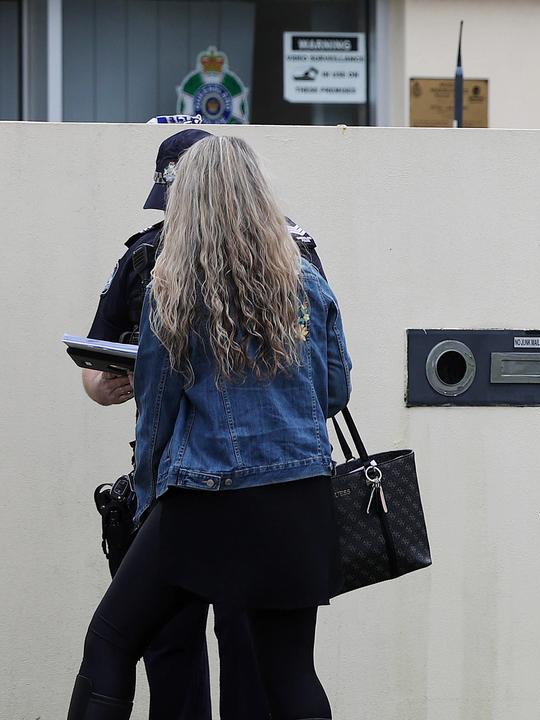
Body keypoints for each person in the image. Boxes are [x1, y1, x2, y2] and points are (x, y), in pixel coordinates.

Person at [68, 135, 351, 719]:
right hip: (302, 501)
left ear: (189, 201)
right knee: (290, 671)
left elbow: (157, 412)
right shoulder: (306, 280)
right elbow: (335, 392)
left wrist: (149, 499)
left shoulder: (172, 289)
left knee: (113, 640)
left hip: (206, 502)